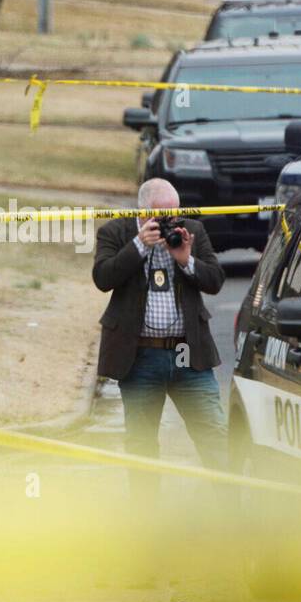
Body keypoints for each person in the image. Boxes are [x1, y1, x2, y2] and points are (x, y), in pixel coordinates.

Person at [92, 178, 228, 498]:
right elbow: (103, 277)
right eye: (161, 216)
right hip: (140, 356)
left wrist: (186, 260)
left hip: (187, 353)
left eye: (174, 214)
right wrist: (139, 245)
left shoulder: (191, 231)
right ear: (142, 212)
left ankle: (230, 507)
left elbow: (215, 280)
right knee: (141, 443)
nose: (170, 223)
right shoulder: (116, 232)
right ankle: (146, 518)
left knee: (214, 434)